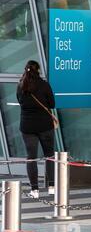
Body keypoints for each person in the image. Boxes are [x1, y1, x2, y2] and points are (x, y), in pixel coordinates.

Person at [16, 60, 56, 199]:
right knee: (49, 156)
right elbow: (52, 103)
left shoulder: (21, 86)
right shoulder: (44, 85)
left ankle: (34, 190)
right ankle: (51, 187)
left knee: (31, 158)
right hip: (45, 126)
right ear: (38, 70)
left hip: (27, 127)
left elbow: (20, 102)